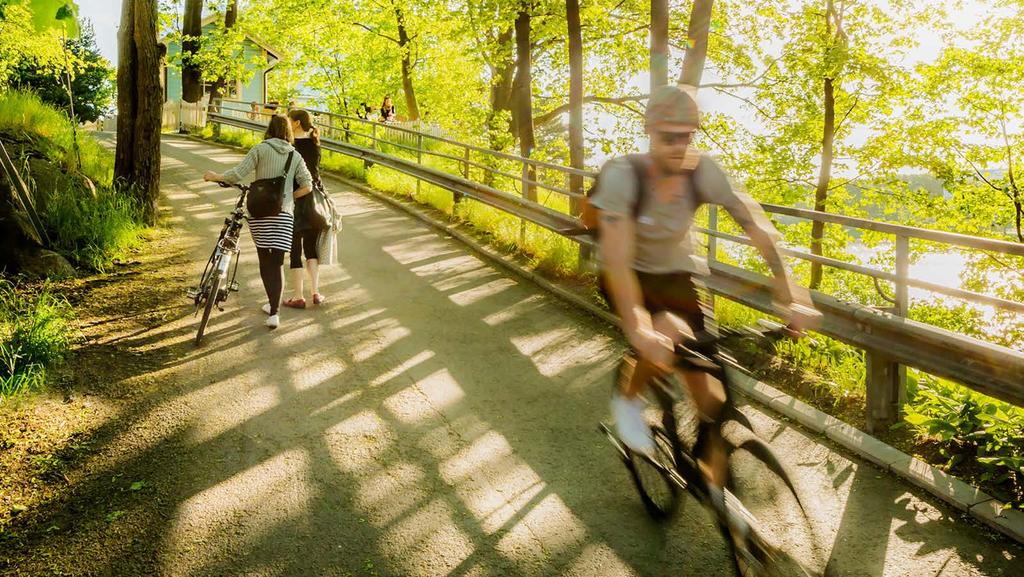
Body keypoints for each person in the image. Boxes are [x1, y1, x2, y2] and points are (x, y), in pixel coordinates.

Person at [590, 84, 819, 516]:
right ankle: (627, 401)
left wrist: (792, 295)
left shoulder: (703, 171)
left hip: (677, 274)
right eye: (668, 137)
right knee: (665, 334)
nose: (678, 146)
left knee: (711, 396)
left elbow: (759, 228)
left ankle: (727, 509)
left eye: (687, 136)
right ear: (649, 131)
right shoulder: (624, 174)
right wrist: (638, 327)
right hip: (627, 272)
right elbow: (617, 260)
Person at [203, 115, 313, 329]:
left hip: (260, 212)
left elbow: (237, 174)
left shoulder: (260, 149)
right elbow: (307, 186)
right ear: (288, 132)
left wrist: (215, 176)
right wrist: (288, 196)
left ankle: (271, 303)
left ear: (269, 129)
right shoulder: (295, 156)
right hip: (284, 214)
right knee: (278, 263)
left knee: (265, 261)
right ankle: (274, 312)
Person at [283, 109, 326, 308]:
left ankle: (298, 296)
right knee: (311, 249)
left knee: (294, 249)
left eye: (289, 120)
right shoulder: (316, 143)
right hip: (314, 201)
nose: (287, 123)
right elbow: (316, 174)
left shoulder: (290, 145)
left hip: (295, 199)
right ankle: (316, 292)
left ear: (297, 123)